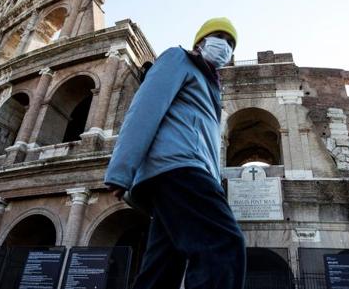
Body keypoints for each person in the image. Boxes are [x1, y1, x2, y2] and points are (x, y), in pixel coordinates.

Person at [104, 17, 246, 289]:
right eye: (220, 37)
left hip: (184, 173)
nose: (225, 46)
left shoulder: (212, 88)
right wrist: (121, 170)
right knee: (223, 244)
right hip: (178, 169)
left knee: (162, 268)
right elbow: (145, 109)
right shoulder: (177, 59)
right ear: (201, 41)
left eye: (231, 43)